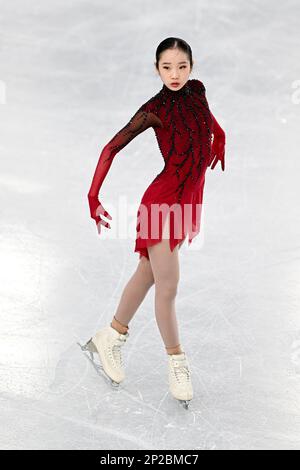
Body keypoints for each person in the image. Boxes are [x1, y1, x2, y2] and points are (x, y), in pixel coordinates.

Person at [84, 37, 226, 407]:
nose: (175, 74)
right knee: (168, 284)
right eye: (167, 67)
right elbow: (110, 148)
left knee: (148, 272)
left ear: (192, 67)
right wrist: (93, 196)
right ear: (156, 69)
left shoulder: (197, 92)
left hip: (185, 202)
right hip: (161, 204)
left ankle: (110, 337)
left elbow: (209, 122)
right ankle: (176, 359)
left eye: (181, 66)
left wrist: (220, 138)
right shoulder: (155, 109)